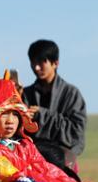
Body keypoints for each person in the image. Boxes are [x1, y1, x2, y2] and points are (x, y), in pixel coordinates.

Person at [22, 39, 88, 172]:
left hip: (63, 160)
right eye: (33, 62)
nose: (36, 67)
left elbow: (76, 133)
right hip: (32, 160)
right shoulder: (25, 94)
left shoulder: (71, 94)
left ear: (55, 63)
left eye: (41, 62)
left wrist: (43, 115)